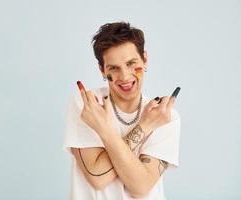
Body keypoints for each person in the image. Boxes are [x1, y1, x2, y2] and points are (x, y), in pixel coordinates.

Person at [63, 22, 181, 200]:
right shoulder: (87, 105)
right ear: (102, 70)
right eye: (113, 68)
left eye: (131, 64)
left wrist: (104, 129)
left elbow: (140, 188)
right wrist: (145, 126)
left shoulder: (164, 116)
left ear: (145, 60)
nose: (125, 76)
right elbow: (98, 178)